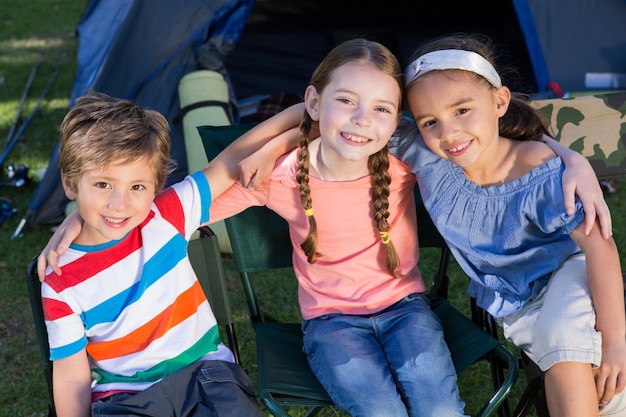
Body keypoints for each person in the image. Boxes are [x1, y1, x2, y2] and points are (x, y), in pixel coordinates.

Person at [43, 39, 470, 417]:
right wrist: (78, 217)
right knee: (379, 410)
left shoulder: (409, 157)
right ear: (316, 103)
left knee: (441, 408)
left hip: (407, 309)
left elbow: (476, 137)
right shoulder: (280, 177)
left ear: (397, 119)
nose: (362, 119)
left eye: (381, 109)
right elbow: (194, 188)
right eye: (346, 101)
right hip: (332, 322)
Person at [391, 34, 625, 417]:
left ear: (499, 101)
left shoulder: (535, 166)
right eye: (429, 121)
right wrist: (263, 148)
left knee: (563, 340)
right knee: (591, 380)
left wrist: (617, 342)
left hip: (569, 272)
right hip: (519, 304)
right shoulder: (429, 158)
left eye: (463, 110)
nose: (448, 133)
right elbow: (345, 111)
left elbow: (600, 246)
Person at [38, 90, 298, 417]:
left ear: (157, 185)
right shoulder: (60, 279)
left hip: (206, 377)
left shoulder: (166, 214)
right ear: (70, 183)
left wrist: (302, 111)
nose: (120, 204)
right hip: (126, 398)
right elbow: (72, 378)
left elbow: (232, 159)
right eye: (103, 185)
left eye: (137, 187)